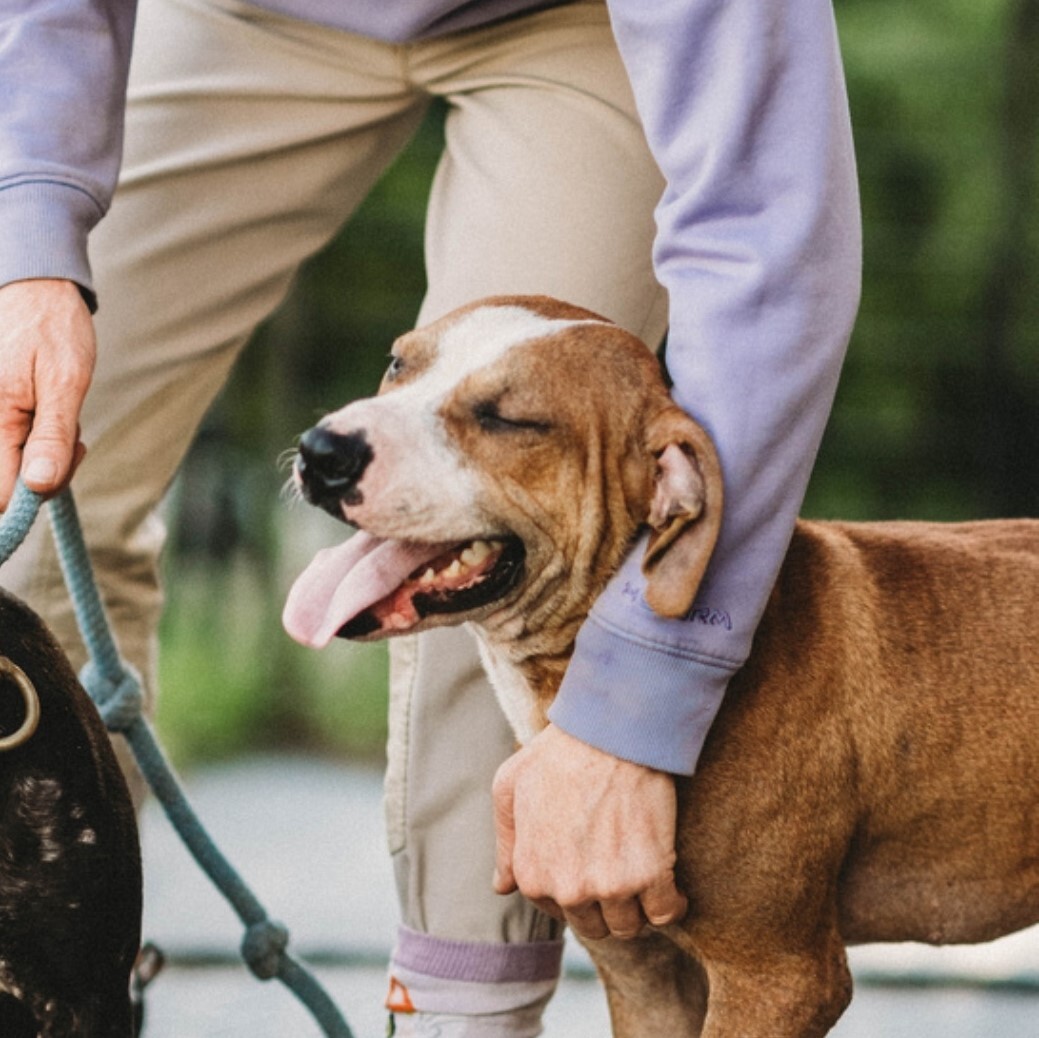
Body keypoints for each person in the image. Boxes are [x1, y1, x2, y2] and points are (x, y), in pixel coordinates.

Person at [0, 0, 860, 1034]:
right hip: (234, 12)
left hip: (569, 21)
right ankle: (47, 981)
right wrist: (31, 233)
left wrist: (635, 707)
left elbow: (768, 223)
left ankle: (461, 1013)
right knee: (28, 468)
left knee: (502, 534)